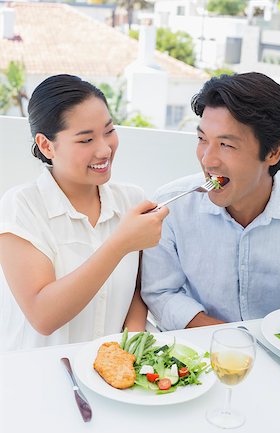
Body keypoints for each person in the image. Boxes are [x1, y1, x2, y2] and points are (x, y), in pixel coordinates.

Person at [0, 74, 168, 351]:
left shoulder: (132, 200)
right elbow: (43, 316)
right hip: (35, 375)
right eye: (86, 140)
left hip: (109, 377)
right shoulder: (21, 207)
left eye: (109, 131)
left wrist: (130, 346)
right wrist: (120, 244)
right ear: (46, 145)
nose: (104, 149)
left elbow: (138, 291)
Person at [141, 72, 280, 331]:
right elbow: (161, 293)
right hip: (201, 358)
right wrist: (231, 341)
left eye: (226, 144)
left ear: (273, 152)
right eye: (203, 140)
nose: (207, 160)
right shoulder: (170, 206)